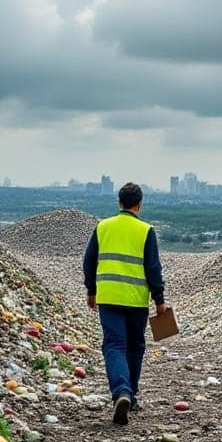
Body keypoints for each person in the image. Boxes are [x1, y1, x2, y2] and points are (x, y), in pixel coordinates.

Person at [82, 182, 168, 425]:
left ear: (119, 202)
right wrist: (159, 299)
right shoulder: (146, 230)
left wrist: (91, 290)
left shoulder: (103, 227)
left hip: (108, 297)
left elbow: (89, 261)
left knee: (114, 345)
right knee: (135, 346)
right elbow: (153, 268)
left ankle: (121, 392)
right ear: (139, 205)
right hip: (135, 299)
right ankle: (131, 395)